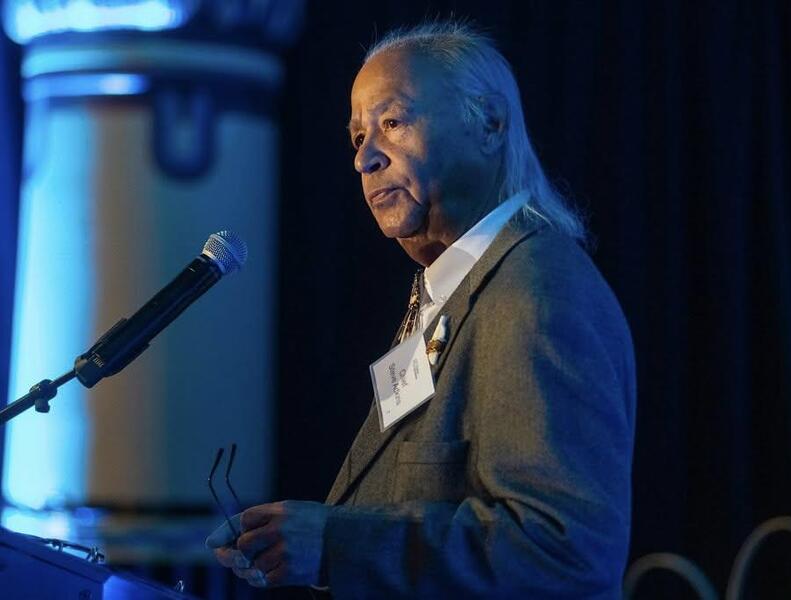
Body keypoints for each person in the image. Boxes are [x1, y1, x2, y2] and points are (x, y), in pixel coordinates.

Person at [210, 21, 636, 599]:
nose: (365, 159)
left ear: (488, 123)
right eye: (357, 136)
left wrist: (335, 544)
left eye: (392, 122)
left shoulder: (535, 292)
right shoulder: (450, 291)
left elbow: (563, 550)